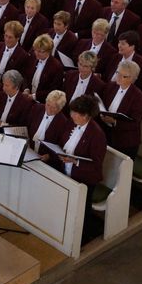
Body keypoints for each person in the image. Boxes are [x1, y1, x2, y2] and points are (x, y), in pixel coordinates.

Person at [40, 95, 106, 243]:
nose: (72, 115)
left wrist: (75, 161)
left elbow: (96, 165)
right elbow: (63, 142)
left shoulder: (97, 135)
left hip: (85, 179)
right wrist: (57, 154)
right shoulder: (72, 123)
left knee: (82, 210)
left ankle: (81, 237)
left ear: (86, 115)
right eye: (72, 112)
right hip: (67, 171)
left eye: (76, 113)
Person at [99, 60, 142, 159]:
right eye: (118, 73)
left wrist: (114, 121)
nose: (118, 77)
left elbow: (135, 123)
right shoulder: (111, 86)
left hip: (125, 141)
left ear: (132, 79)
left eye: (123, 76)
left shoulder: (138, 97)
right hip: (107, 133)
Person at [23, 34, 64, 103]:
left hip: (43, 102)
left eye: (40, 51)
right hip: (28, 97)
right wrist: (26, 89)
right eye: (35, 50)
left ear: (48, 51)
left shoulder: (57, 67)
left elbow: (53, 90)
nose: (36, 53)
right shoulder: (33, 57)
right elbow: (26, 75)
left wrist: (34, 96)